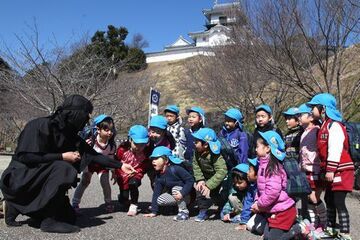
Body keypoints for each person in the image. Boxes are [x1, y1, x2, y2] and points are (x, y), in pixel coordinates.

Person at [0, 95, 135, 233]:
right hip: (19, 179)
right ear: (75, 114)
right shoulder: (39, 125)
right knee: (64, 167)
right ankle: (48, 221)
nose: (87, 120)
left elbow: (93, 155)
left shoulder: (70, 135)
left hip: (36, 180)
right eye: (86, 116)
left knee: (69, 217)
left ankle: (14, 206)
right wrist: (62, 156)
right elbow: (25, 157)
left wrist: (120, 165)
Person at [307, 93, 354, 240]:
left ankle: (345, 233)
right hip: (331, 171)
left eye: (314, 107)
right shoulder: (324, 126)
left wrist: (331, 169)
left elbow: (335, 149)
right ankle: (331, 228)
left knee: (339, 201)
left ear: (323, 108)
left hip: (341, 170)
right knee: (329, 199)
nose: (311, 110)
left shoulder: (335, 125)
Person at [250, 130, 308, 240]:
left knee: (273, 239)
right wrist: (257, 201)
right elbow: (261, 188)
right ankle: (293, 228)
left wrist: (260, 204)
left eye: (258, 146)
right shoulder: (263, 164)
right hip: (274, 209)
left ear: (267, 149)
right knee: (266, 236)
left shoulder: (273, 167)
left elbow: (272, 192)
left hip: (283, 210)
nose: (256, 149)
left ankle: (297, 229)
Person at [72, 114, 117, 213]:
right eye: (106, 130)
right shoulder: (90, 142)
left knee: (105, 183)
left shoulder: (111, 145)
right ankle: (75, 202)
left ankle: (108, 202)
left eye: (111, 130)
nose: (110, 133)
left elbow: (110, 158)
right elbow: (84, 157)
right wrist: (85, 171)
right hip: (90, 164)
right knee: (85, 182)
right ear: (98, 129)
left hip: (103, 165)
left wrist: (113, 171)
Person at [144, 146, 194, 221]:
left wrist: (182, 193)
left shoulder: (176, 169)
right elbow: (156, 193)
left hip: (187, 195)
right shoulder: (159, 176)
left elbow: (190, 180)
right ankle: (176, 207)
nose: (153, 161)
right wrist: (154, 211)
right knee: (160, 200)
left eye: (157, 158)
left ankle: (184, 212)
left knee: (175, 188)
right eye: (153, 159)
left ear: (166, 160)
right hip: (177, 195)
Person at [298, 103, 327, 230]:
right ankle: (313, 224)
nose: (298, 117)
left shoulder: (316, 131)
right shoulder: (304, 132)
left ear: (310, 117)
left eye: (301, 115)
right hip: (306, 169)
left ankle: (324, 222)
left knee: (314, 197)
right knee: (310, 197)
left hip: (315, 168)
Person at [192, 128, 228, 222]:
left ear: (206, 144)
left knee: (216, 195)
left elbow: (222, 171)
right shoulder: (197, 152)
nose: (194, 143)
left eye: (196, 142)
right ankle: (203, 211)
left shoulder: (215, 155)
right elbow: (196, 166)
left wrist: (209, 185)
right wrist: (200, 179)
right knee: (199, 189)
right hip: (205, 177)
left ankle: (223, 208)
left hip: (217, 178)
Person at [114, 125, 150, 216]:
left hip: (137, 171)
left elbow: (146, 164)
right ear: (130, 140)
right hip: (123, 174)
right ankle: (124, 200)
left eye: (142, 145)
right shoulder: (122, 149)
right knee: (124, 196)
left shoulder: (146, 151)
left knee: (133, 184)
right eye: (136, 144)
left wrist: (138, 171)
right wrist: (115, 173)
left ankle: (134, 205)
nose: (139, 147)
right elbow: (116, 162)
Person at [220, 163, 256, 231]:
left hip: (250, 211)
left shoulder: (252, 190)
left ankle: (240, 218)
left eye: (240, 183)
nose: (237, 185)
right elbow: (229, 202)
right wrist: (226, 212)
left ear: (247, 180)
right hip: (241, 209)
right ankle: (237, 216)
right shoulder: (235, 188)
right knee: (223, 213)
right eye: (235, 182)